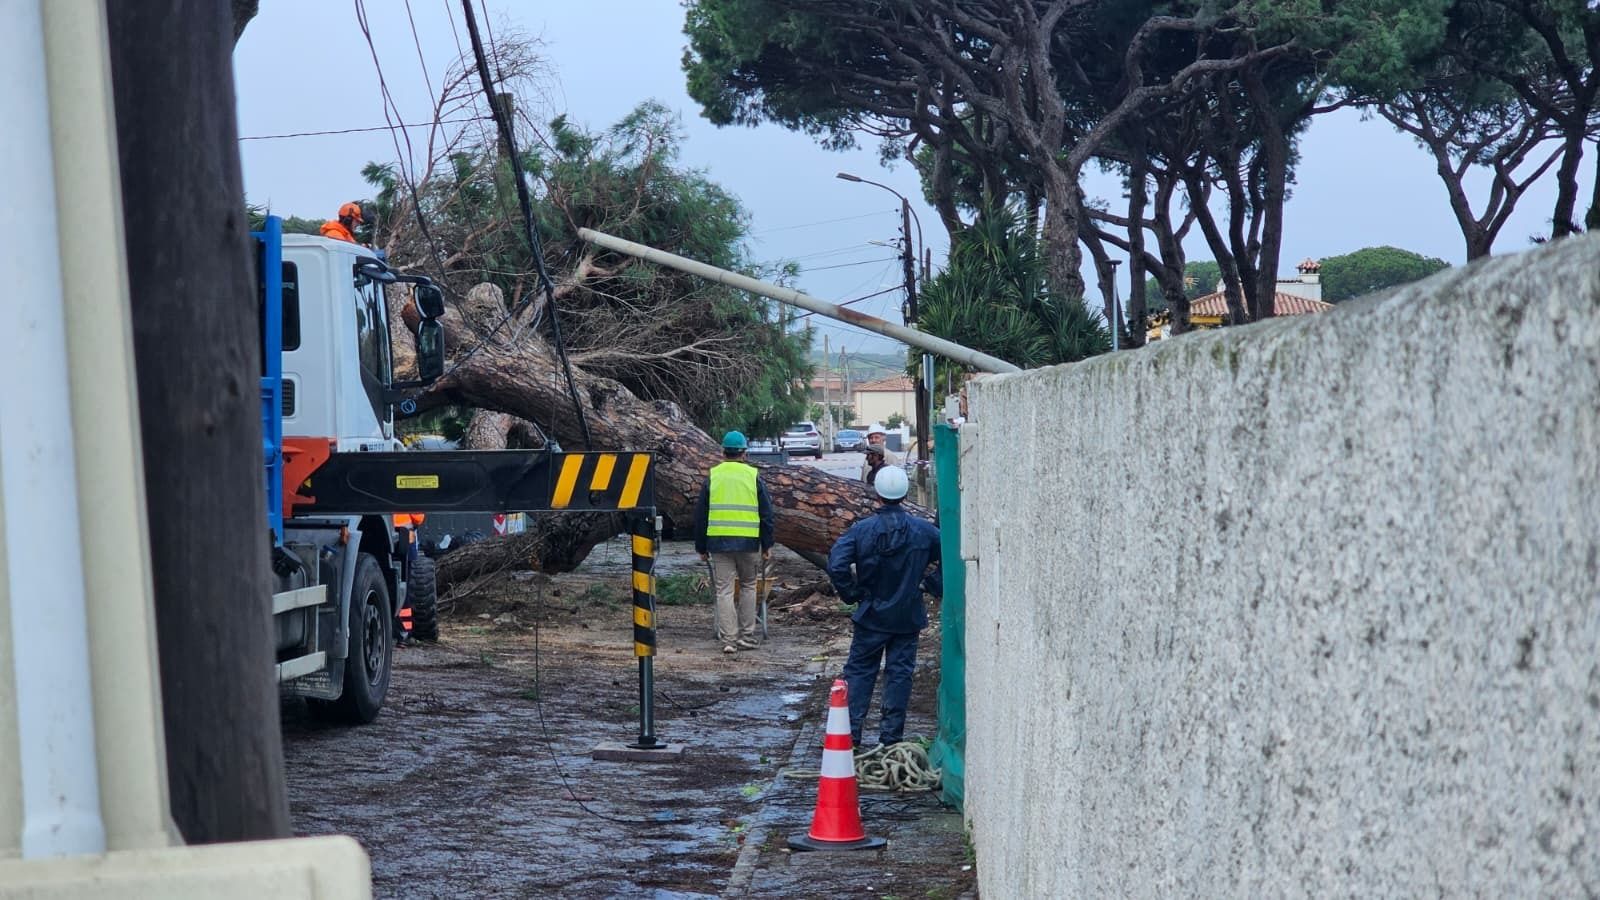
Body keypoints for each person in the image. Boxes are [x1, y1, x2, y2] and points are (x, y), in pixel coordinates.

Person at [826, 466, 941, 750]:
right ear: (904, 494)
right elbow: (952, 557)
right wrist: (928, 585)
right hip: (907, 616)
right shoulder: (925, 532)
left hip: (872, 615)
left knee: (861, 672)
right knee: (900, 674)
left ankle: (850, 737)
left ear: (877, 493)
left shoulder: (861, 530)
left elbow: (837, 563)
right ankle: (891, 741)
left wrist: (852, 594)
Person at [693, 431, 775, 653]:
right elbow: (767, 513)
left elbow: (701, 515)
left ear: (723, 452)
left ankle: (729, 639)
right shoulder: (752, 476)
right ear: (744, 453)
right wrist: (767, 545)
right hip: (748, 542)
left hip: (719, 542)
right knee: (749, 585)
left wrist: (701, 546)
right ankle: (746, 635)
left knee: (724, 590)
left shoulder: (713, 476)